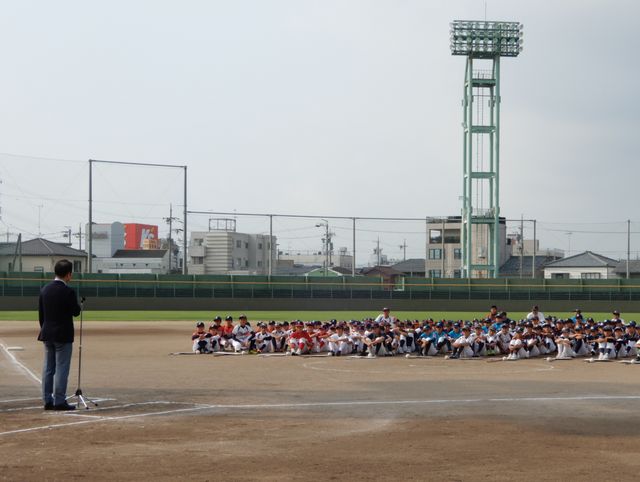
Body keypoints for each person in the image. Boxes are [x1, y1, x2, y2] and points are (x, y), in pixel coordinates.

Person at [38, 259, 82, 411]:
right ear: (68, 274)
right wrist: (79, 305)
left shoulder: (44, 289)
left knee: (48, 368)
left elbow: (41, 315)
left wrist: (44, 330)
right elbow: (75, 312)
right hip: (63, 335)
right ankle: (59, 400)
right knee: (62, 368)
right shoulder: (68, 291)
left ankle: (47, 400)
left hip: (47, 333)